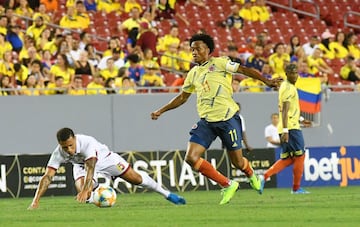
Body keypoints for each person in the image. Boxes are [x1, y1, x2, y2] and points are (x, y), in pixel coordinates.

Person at [151, 33, 280, 205]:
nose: (194, 52)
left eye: (198, 48)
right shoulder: (193, 73)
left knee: (238, 163)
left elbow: (243, 70)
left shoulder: (220, 63)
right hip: (206, 122)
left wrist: (266, 81)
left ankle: (251, 175)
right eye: (192, 49)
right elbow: (182, 97)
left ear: (208, 50)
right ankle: (227, 184)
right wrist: (162, 110)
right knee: (191, 157)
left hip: (228, 119)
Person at [28, 127, 186, 210]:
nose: (69, 150)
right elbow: (47, 177)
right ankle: (97, 197)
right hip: (80, 165)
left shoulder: (86, 143)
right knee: (82, 188)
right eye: (65, 147)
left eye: (71, 145)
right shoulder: (59, 153)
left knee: (136, 179)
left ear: (75, 139)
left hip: (106, 159)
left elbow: (92, 167)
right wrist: (36, 201)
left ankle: (167, 194)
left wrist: (85, 190)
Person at [259, 63, 311, 195]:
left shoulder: (286, 86)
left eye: (296, 73)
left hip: (288, 125)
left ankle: (264, 176)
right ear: (287, 74)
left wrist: (301, 119)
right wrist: (287, 130)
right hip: (291, 128)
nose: (295, 75)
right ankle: (296, 188)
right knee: (300, 156)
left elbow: (291, 110)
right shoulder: (288, 88)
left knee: (288, 158)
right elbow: (285, 110)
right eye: (292, 73)